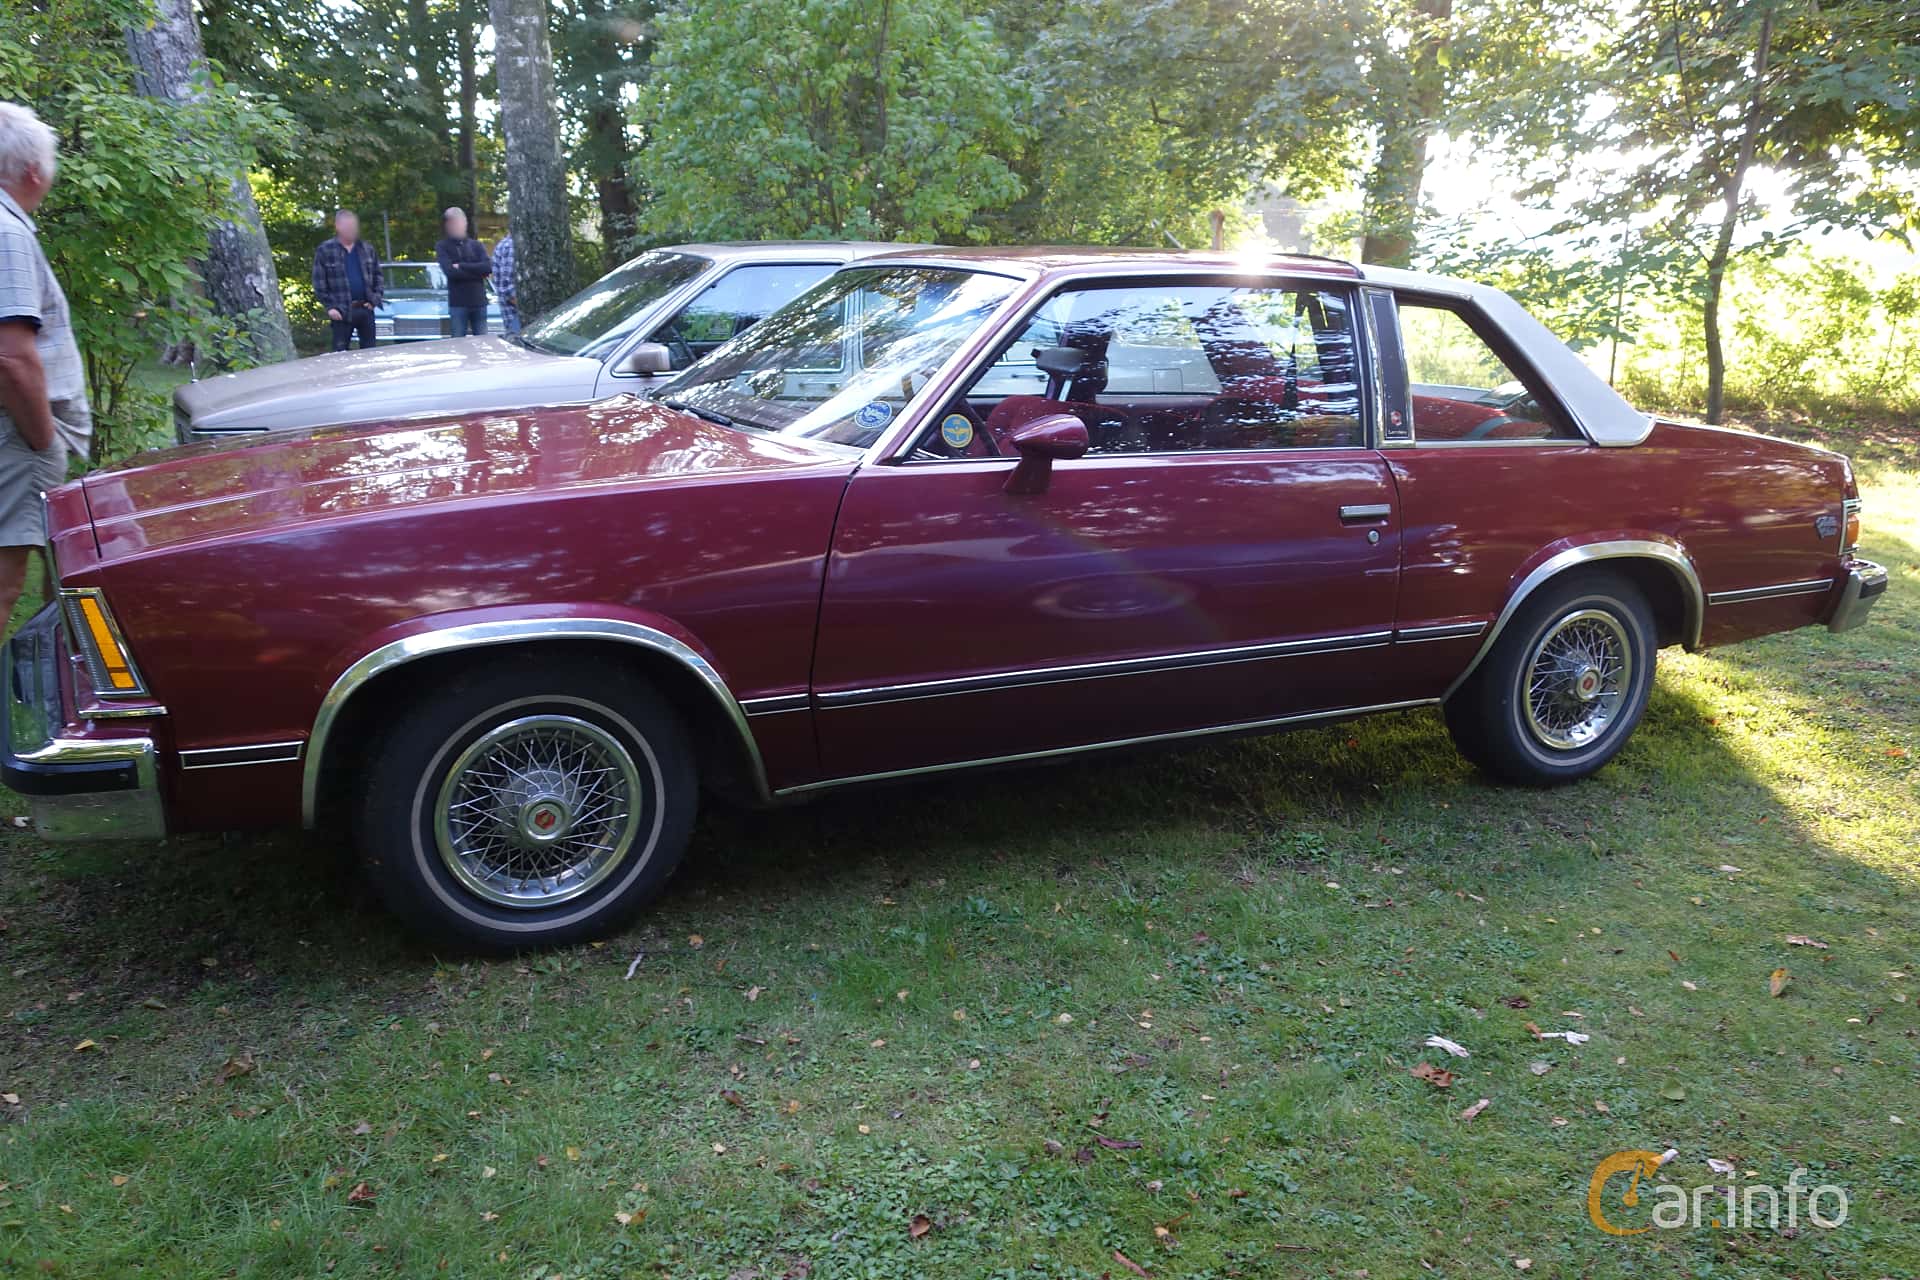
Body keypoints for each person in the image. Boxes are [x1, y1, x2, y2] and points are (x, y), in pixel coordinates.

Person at [0, 102, 89, 631]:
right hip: (18, 435)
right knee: (5, 585)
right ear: (35, 171)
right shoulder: (8, 233)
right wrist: (43, 440)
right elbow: (11, 356)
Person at [311, 209, 384, 351]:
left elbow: (378, 276)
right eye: (348, 226)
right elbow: (319, 282)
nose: (352, 230)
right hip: (341, 311)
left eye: (354, 226)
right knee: (340, 354)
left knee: (370, 352)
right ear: (338, 226)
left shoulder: (367, 249)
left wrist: (375, 299)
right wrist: (330, 307)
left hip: (365, 308)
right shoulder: (325, 250)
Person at [435, 207, 491, 338]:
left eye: (461, 222)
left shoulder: (476, 245)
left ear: (465, 223)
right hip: (458, 304)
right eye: (454, 223)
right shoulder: (442, 246)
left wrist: (461, 265)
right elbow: (450, 272)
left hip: (479, 302)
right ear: (448, 225)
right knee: (458, 342)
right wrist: (477, 272)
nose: (458, 226)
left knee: (483, 341)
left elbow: (487, 267)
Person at [492, 230, 520, 337]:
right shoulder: (511, 246)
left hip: (511, 316)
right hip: (515, 316)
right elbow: (507, 287)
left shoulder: (504, 244)